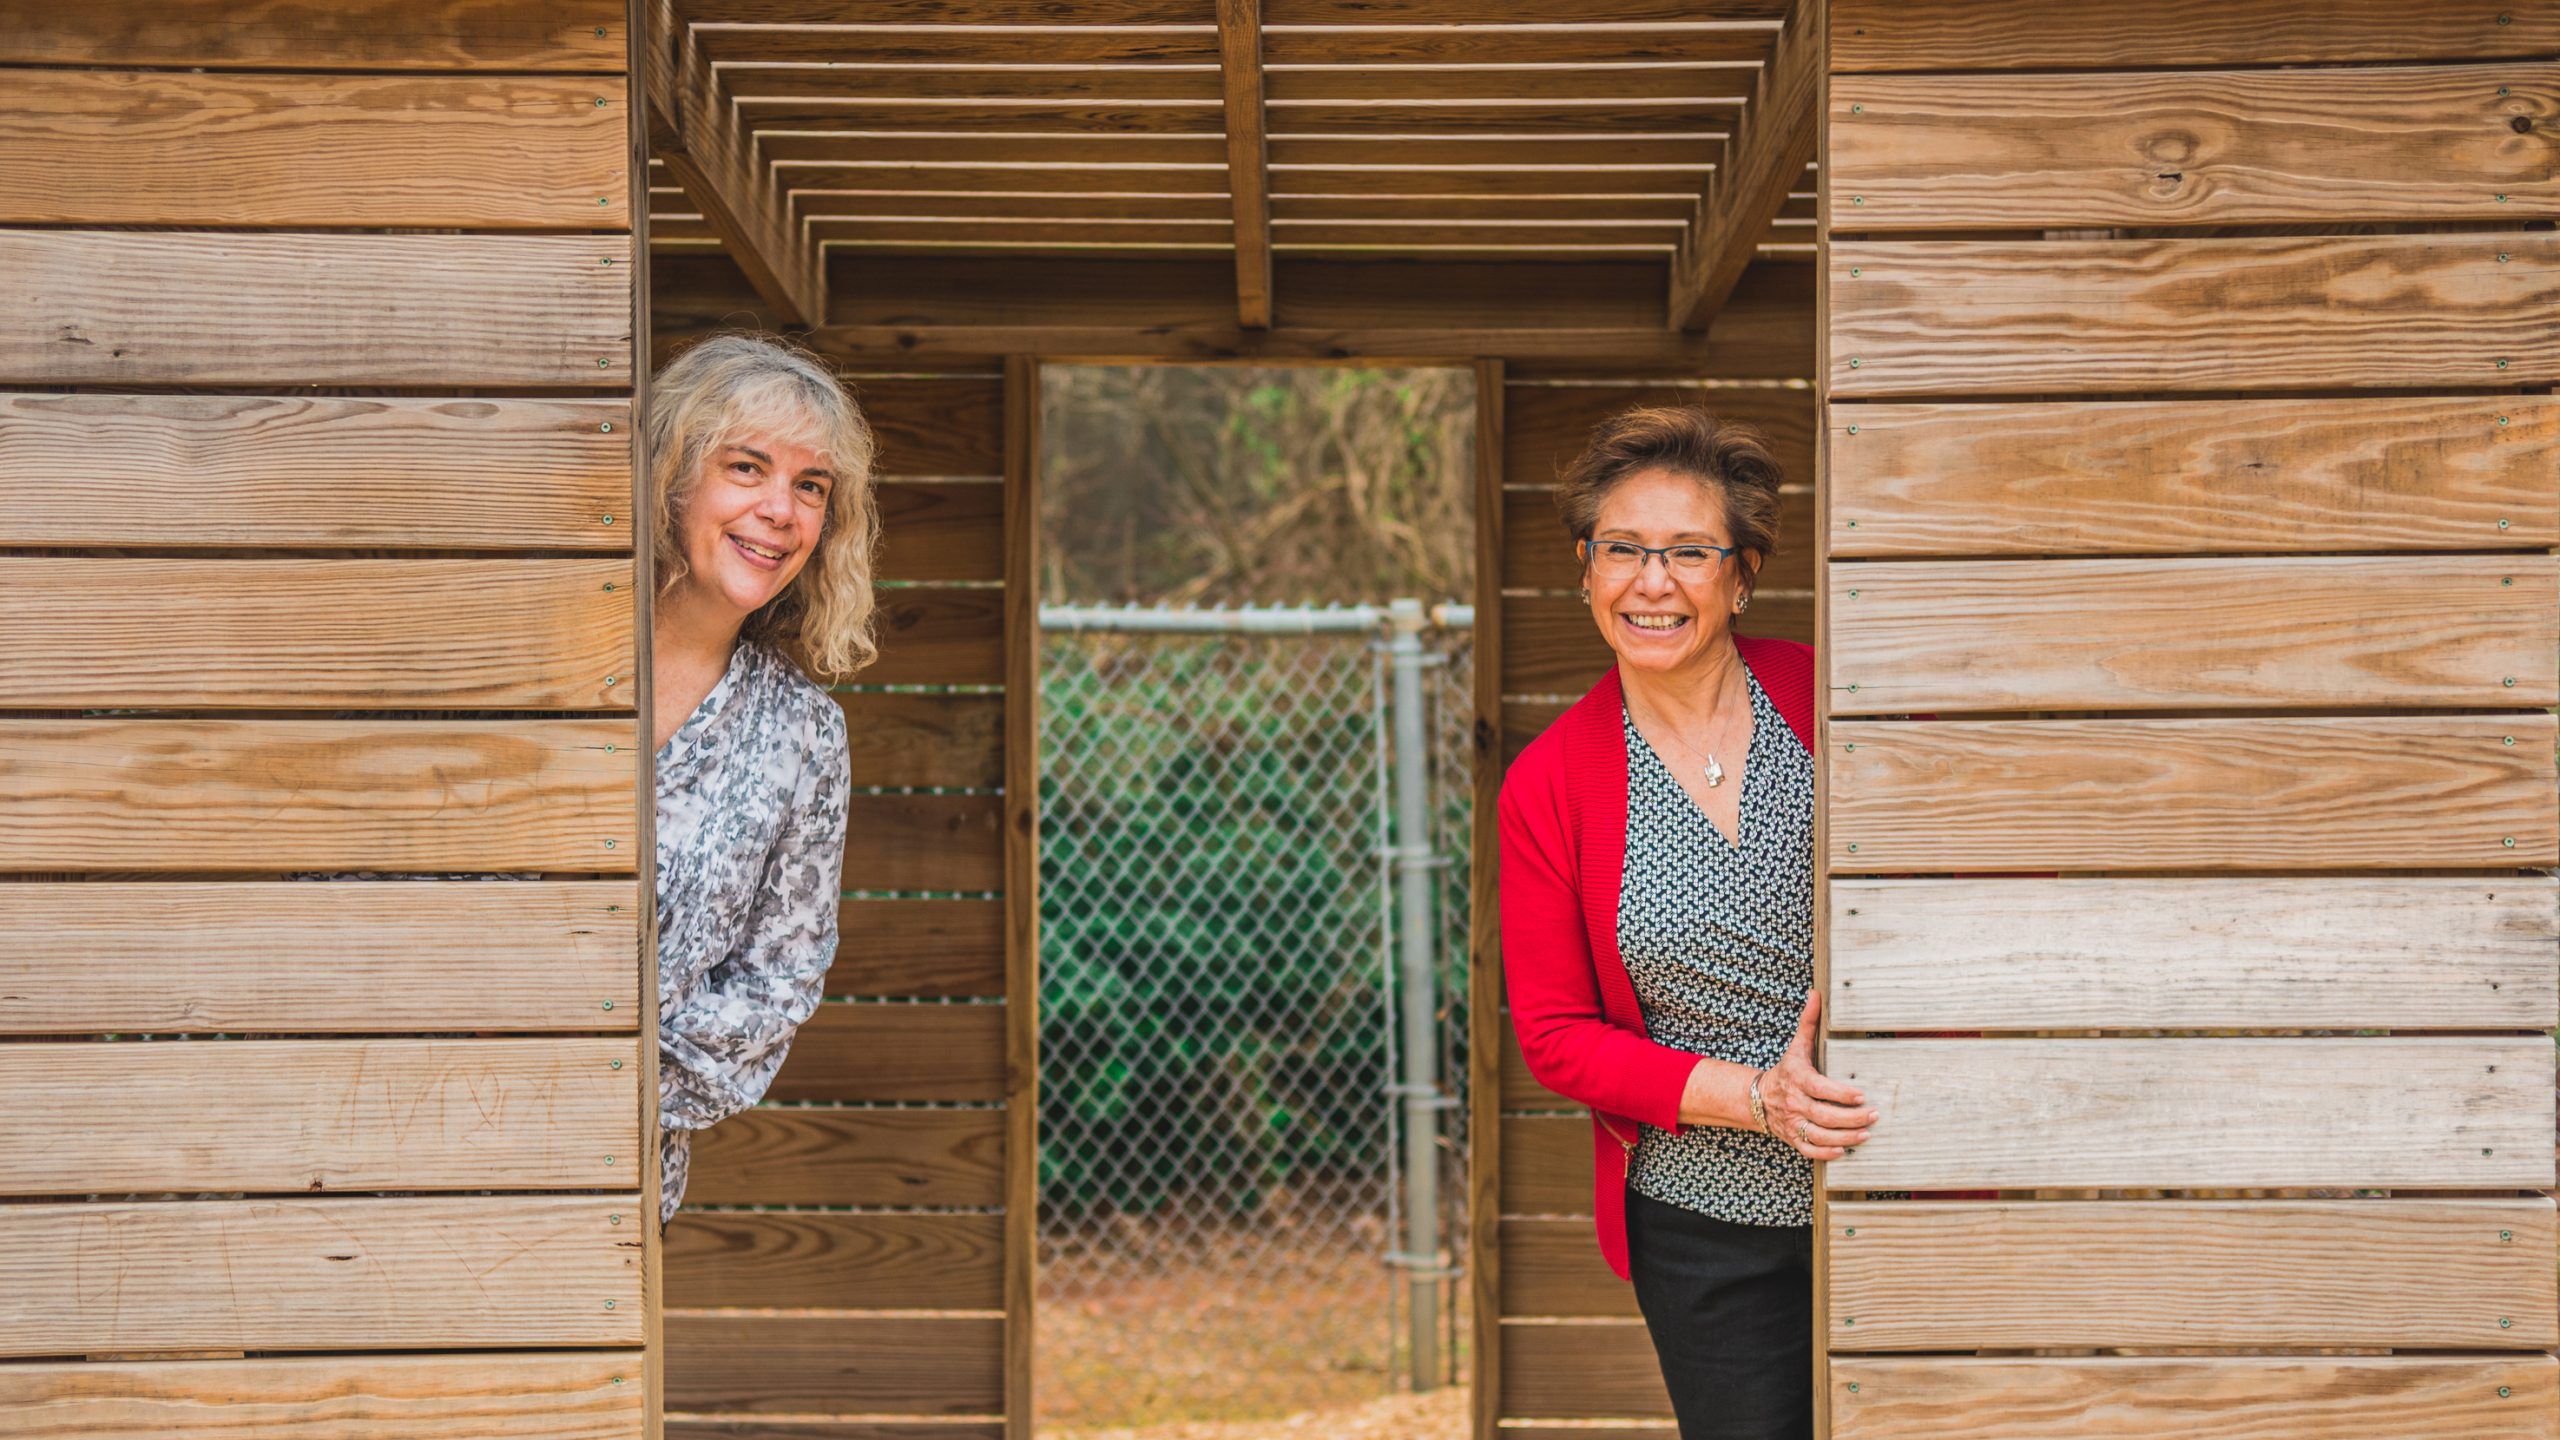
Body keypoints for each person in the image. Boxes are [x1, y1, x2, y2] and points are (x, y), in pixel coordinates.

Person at [1498, 406, 1874, 1440]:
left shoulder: (1843, 702)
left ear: (1740, 574)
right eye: (1621, 548)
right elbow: (1556, 1037)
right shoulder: (1548, 786)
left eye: (1688, 552)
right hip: (1706, 1226)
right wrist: (1759, 1098)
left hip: (1905, 1172)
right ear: (1584, 569)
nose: (1649, 581)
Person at [647, 333, 878, 1224]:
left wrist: (600, 1100)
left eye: (811, 486)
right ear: (672, 476)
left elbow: (776, 984)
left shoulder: (802, 735)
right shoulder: (542, 658)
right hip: (410, 1129)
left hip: (620, 1188)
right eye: (747, 468)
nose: (781, 510)